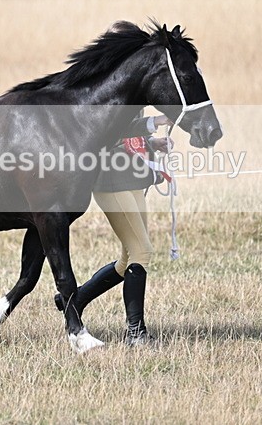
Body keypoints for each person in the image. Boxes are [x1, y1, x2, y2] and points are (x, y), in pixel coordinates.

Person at [54, 21, 174, 346]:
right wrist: (154, 123)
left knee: (128, 257)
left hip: (131, 174)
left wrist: (152, 142)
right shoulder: (102, 86)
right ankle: (135, 333)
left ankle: (73, 303)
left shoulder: (127, 83)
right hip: (110, 178)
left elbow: (127, 127)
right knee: (142, 251)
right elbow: (109, 129)